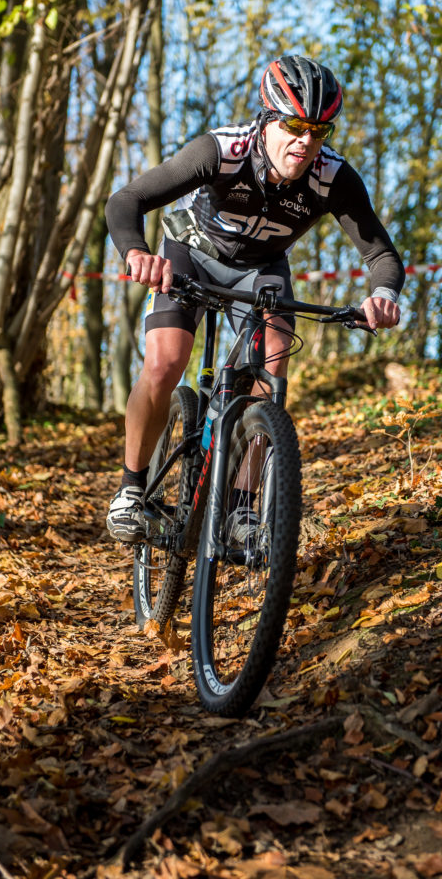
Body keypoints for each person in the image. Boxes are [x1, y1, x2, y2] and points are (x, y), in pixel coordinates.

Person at [104, 55, 405, 543]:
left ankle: (242, 509)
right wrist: (137, 252)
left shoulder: (331, 176)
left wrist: (382, 295)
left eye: (319, 130)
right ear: (268, 118)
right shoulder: (221, 151)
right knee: (165, 362)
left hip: (261, 270)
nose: (306, 141)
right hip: (192, 252)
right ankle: (131, 489)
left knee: (274, 364)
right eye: (295, 125)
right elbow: (126, 200)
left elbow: (381, 254)